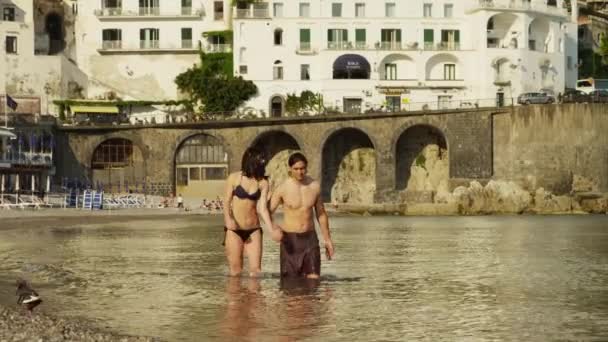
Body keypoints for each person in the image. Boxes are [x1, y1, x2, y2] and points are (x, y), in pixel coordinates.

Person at [270, 152, 335, 279]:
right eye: (296, 169)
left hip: (310, 239)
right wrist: (274, 228)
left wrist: (327, 240)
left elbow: (321, 214)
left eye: (302, 168)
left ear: (306, 168)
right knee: (290, 287)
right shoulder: (283, 188)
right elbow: (267, 211)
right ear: (290, 169)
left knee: (314, 281)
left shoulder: (314, 186)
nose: (300, 172)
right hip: (290, 240)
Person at [223, 147, 282, 277]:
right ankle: (237, 297)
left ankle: (254, 297)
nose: (262, 163)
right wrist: (228, 220)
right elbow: (226, 202)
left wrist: (271, 228)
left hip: (254, 229)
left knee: (256, 273)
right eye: (260, 160)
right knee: (236, 272)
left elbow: (262, 209)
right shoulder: (234, 178)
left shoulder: (263, 182)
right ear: (250, 161)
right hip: (234, 230)